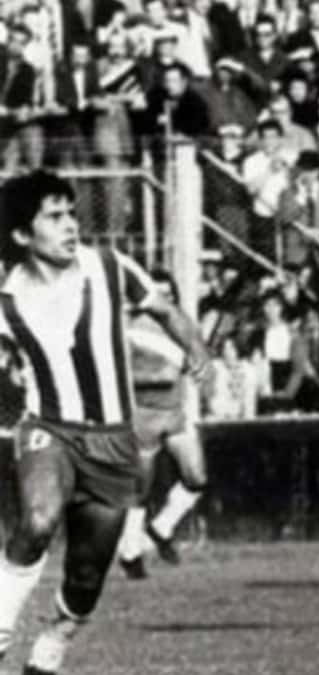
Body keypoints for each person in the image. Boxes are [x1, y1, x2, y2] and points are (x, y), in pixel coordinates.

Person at [0, 171, 211, 675]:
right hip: (49, 427)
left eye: (71, 213)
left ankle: (55, 639)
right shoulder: (5, 296)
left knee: (86, 574)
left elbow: (165, 311)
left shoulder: (111, 266)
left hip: (116, 441)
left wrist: (196, 347)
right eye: (54, 217)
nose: (70, 225)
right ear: (22, 236)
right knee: (39, 519)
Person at [115, 270, 210, 579]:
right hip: (143, 416)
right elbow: (123, 377)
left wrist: (198, 368)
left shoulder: (180, 329)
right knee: (141, 489)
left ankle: (161, 527)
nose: (163, 301)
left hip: (176, 413)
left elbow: (194, 365)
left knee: (196, 477)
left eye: (169, 295)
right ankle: (130, 552)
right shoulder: (130, 331)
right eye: (158, 295)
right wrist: (158, 377)